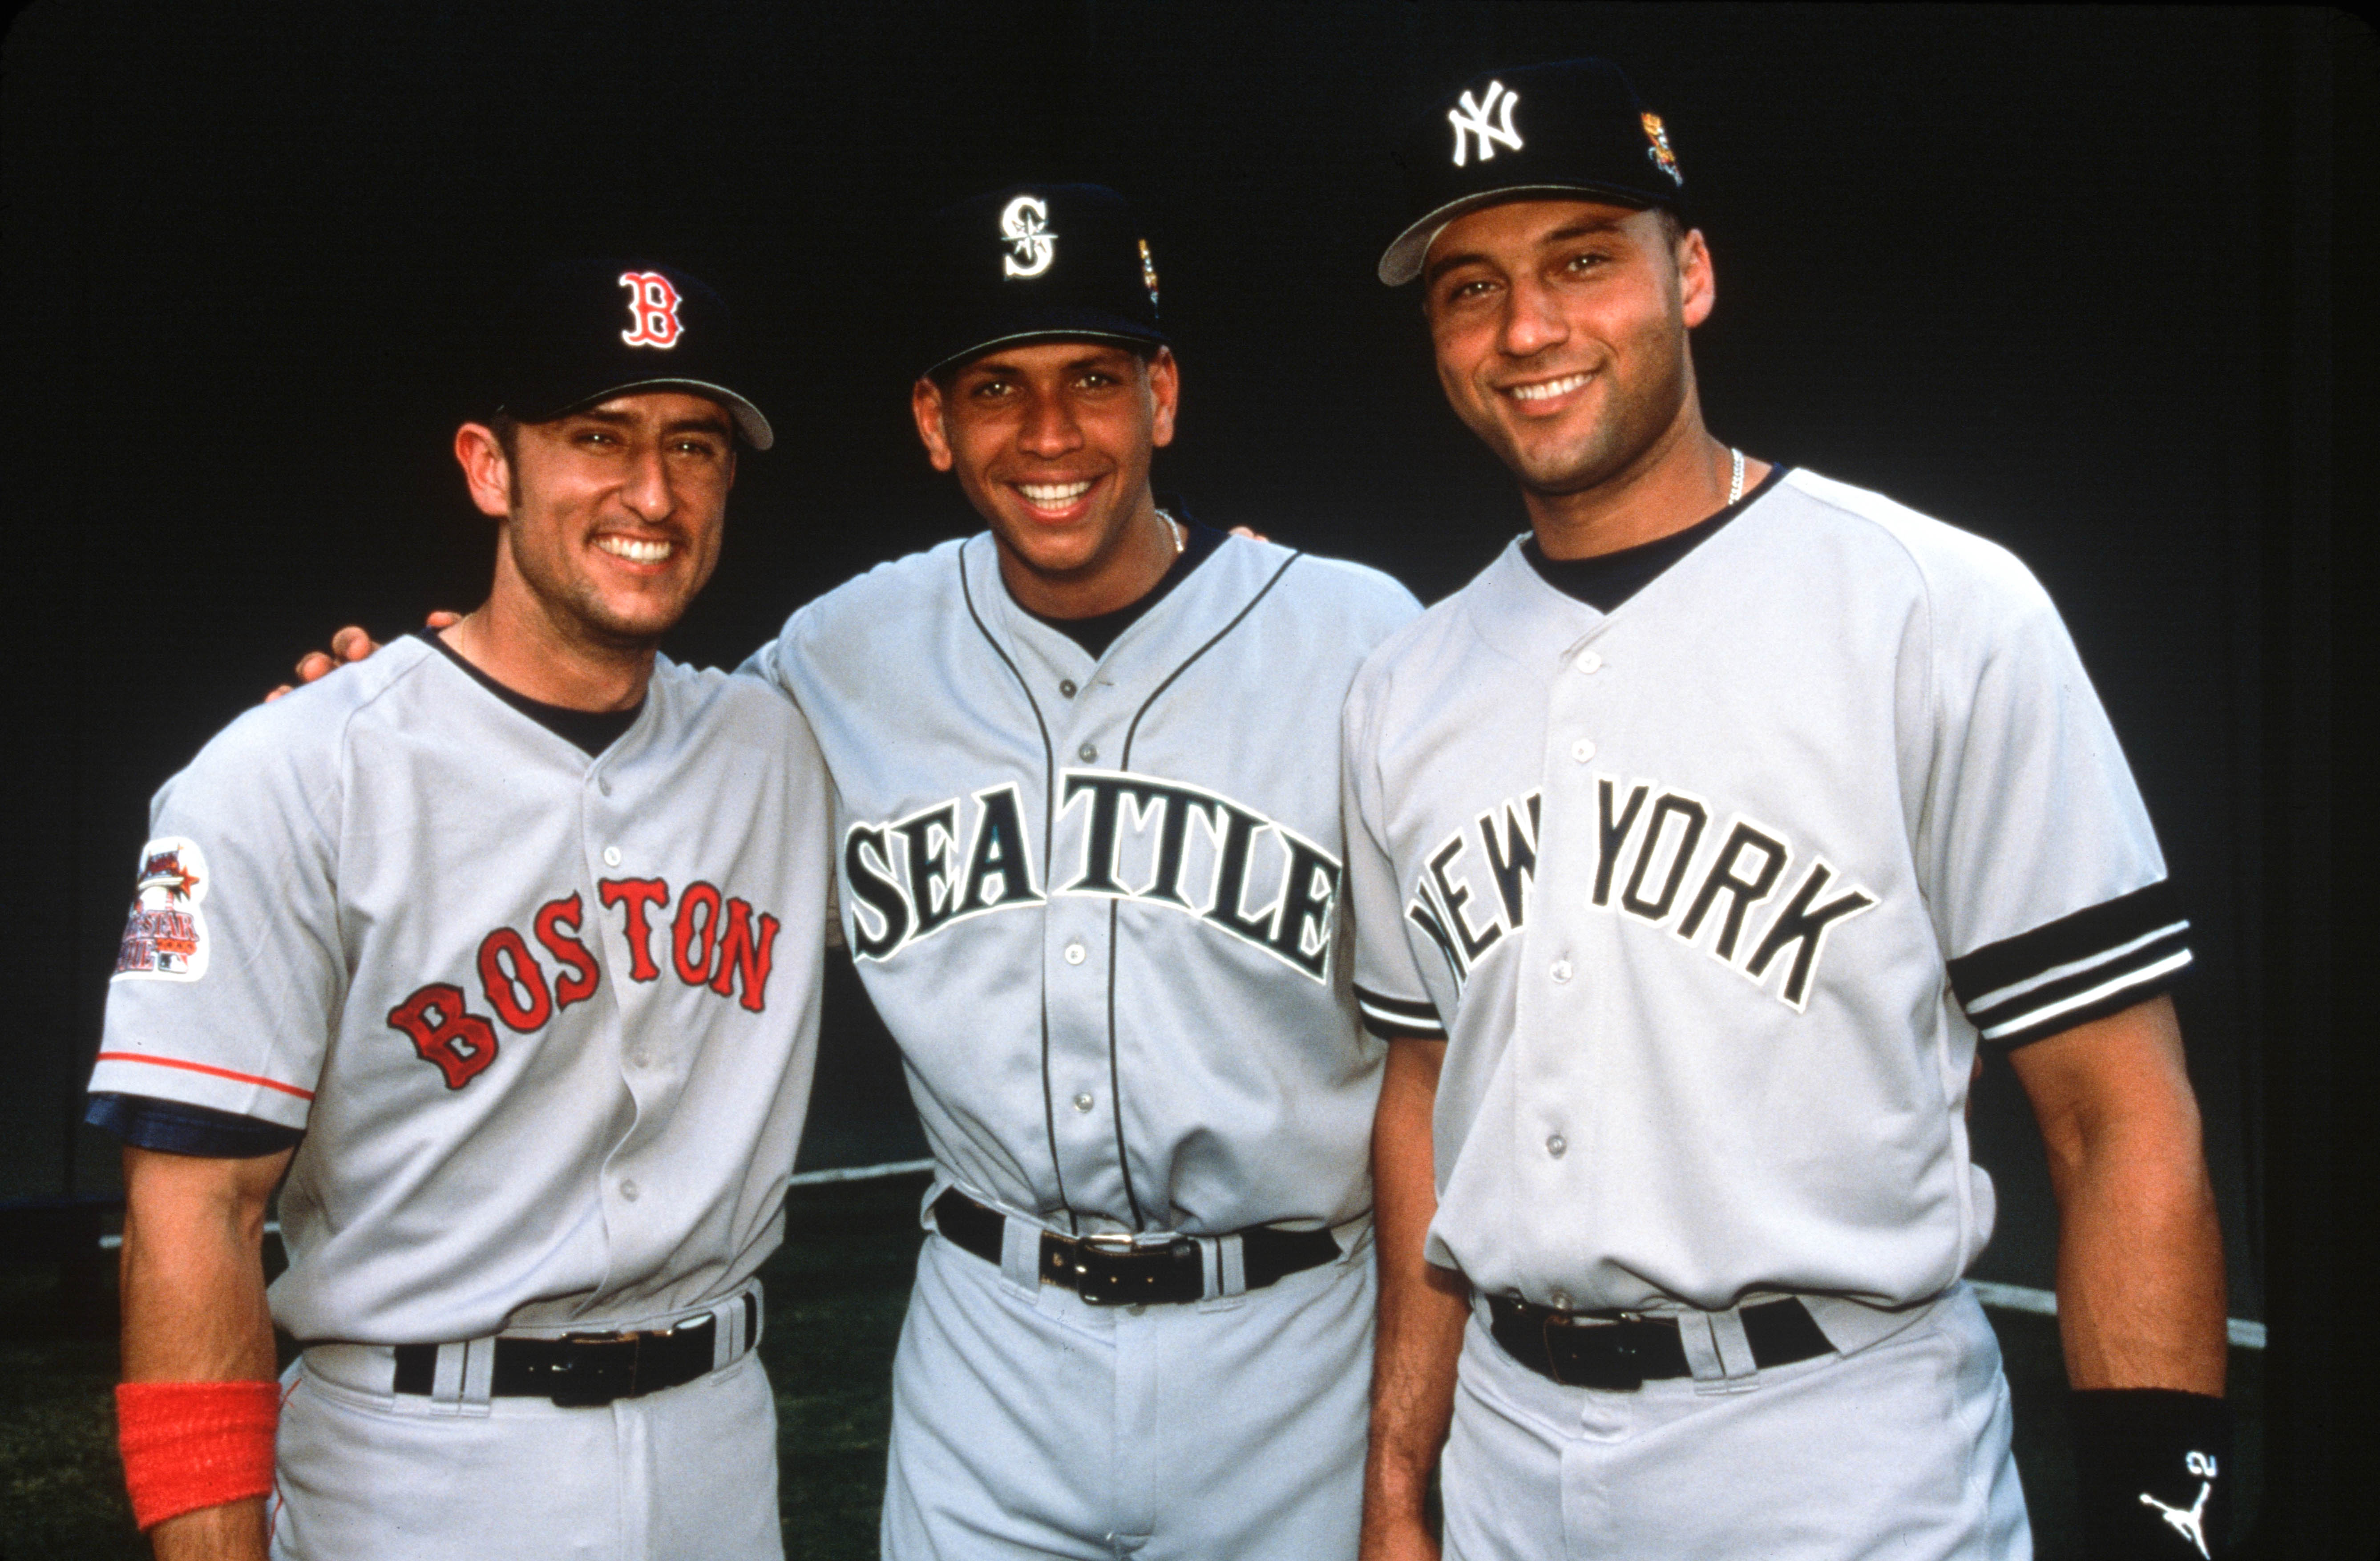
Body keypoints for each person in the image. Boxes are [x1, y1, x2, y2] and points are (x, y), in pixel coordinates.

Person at [1343, 60, 2231, 1561]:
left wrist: (2166, 1526)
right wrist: (1397, 1479)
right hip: (1507, 1455)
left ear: (1689, 273)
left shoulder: (1936, 608)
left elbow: (2117, 1118)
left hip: (1837, 1451)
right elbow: (1427, 1094)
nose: (1529, 328)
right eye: (1470, 288)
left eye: (1581, 260)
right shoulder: (1403, 684)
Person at [89, 259, 832, 1561]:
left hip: (722, 1444)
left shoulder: (781, 749)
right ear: (491, 468)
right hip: (419, 1460)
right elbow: (192, 1212)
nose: (651, 493)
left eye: (694, 444)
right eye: (597, 435)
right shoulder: (290, 772)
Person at [739, 183, 1421, 1561]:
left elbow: (1443, 1059)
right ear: (935, 422)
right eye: (997, 386)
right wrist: (425, 707)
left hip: (1295, 1344)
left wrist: (1409, 1452)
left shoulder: (1361, 639)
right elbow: (635, 781)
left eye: (1093, 379)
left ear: (1162, 395)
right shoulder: (843, 653)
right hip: (993, 1351)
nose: (1049, 434)